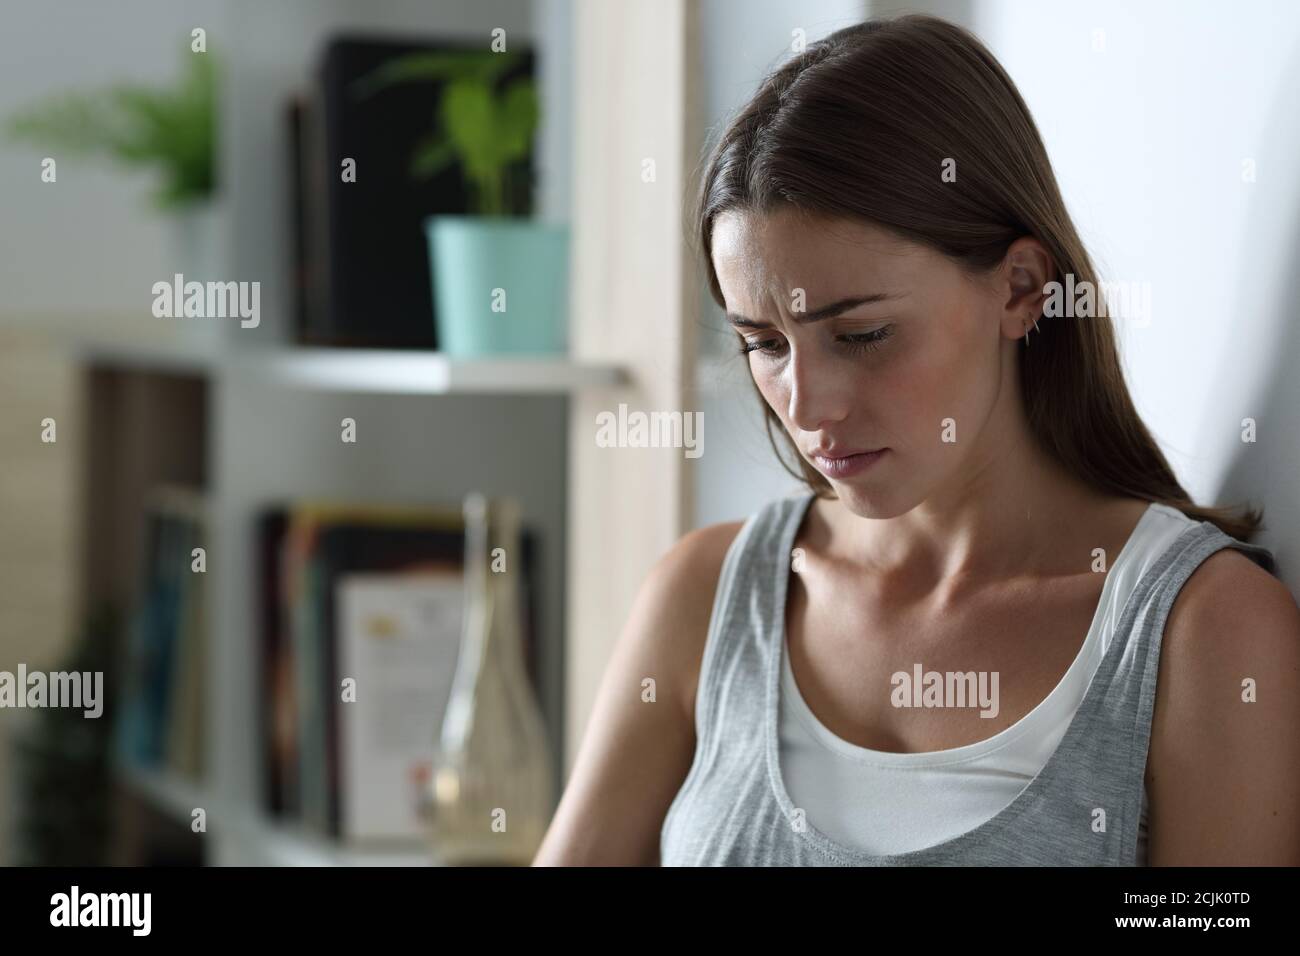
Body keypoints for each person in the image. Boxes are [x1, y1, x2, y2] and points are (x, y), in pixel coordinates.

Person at [532, 14, 1300, 866]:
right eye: (763, 342)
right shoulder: (705, 597)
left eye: (861, 335)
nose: (808, 403)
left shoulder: (1201, 629)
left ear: (1019, 290)